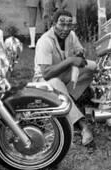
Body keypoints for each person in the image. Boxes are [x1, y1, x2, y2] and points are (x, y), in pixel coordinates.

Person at [33, 9, 95, 146]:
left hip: (63, 74)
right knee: (55, 82)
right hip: (43, 81)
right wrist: (71, 61)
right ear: (53, 23)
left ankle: (69, 98)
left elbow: (80, 52)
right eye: (62, 24)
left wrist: (79, 55)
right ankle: (83, 125)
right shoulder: (45, 41)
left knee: (92, 68)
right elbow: (46, 73)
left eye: (69, 24)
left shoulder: (71, 35)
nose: (65, 28)